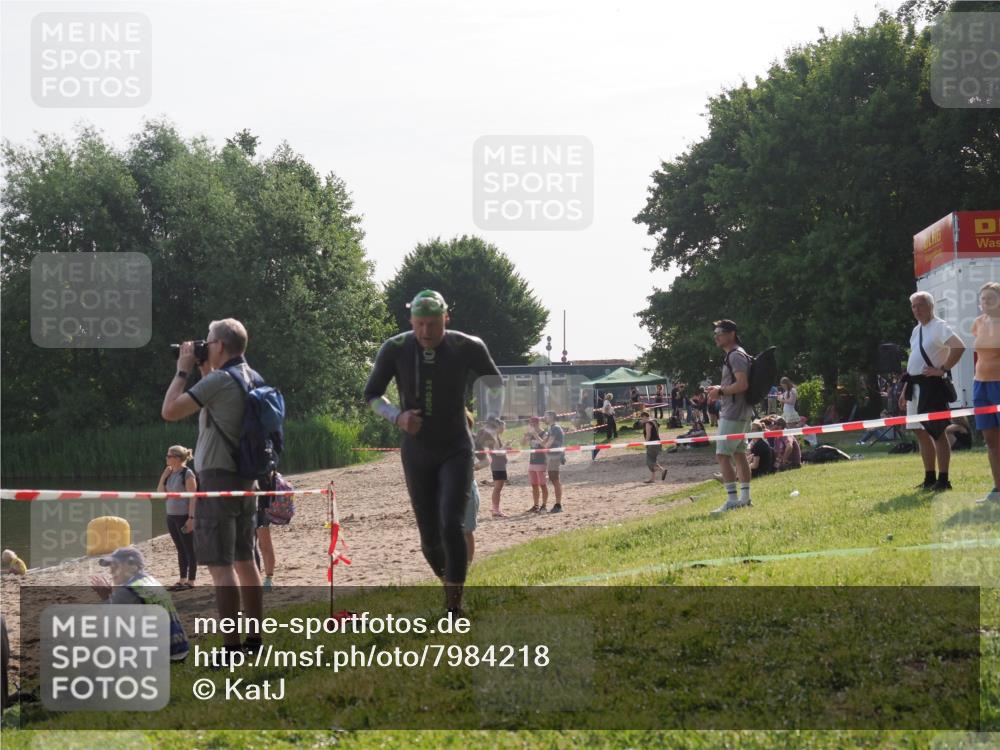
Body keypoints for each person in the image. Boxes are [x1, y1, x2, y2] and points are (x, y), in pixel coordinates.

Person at [363, 290, 503, 616]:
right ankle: (449, 583)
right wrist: (397, 417)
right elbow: (372, 394)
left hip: (456, 445)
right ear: (411, 321)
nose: (426, 333)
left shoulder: (467, 345)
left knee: (451, 524)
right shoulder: (395, 347)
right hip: (417, 450)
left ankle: (455, 606)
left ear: (447, 318)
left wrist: (491, 423)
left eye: (434, 324)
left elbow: (494, 384)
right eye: (420, 325)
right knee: (429, 538)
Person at [161, 318, 264, 655]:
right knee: (246, 562)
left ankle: (232, 647)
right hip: (245, 480)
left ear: (219, 345)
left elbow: (170, 411)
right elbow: (217, 407)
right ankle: (253, 640)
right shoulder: (251, 378)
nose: (204, 346)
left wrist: (182, 369)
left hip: (218, 479)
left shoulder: (220, 380)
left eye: (207, 342)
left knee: (222, 569)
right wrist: (205, 368)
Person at [899, 291, 965, 492]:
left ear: (930, 306)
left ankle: (944, 480)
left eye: (920, 305)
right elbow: (914, 362)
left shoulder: (939, 326)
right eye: (913, 306)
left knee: (937, 432)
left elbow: (959, 347)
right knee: (920, 431)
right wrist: (904, 391)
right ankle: (929, 478)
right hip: (914, 387)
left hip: (931, 388)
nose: (916, 310)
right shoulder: (916, 330)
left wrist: (942, 369)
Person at [89, 546, 189, 661]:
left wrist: (105, 597)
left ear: (133, 567)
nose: (111, 571)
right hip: (179, 649)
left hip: (160, 656)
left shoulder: (127, 590)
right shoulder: (150, 580)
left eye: (116, 566)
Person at [705, 319, 754, 513]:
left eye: (720, 331)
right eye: (715, 332)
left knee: (722, 455)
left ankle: (733, 500)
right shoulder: (737, 355)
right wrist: (719, 389)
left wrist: (721, 392)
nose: (716, 335)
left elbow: (742, 385)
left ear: (731, 334)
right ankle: (745, 498)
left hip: (733, 413)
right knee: (739, 453)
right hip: (741, 412)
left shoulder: (735, 356)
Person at [972, 281, 1000, 503]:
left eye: (990, 298)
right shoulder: (978, 323)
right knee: (990, 440)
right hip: (980, 385)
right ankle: (998, 490)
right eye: (982, 299)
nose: (985, 302)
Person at [158, 445, 198, 591]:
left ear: (177, 458)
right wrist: (163, 476)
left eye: (169, 456)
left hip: (184, 517)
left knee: (189, 549)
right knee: (180, 549)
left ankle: (191, 581)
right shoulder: (169, 473)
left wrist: (191, 518)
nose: (166, 458)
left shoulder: (187, 474)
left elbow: (194, 498)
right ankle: (182, 579)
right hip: (171, 516)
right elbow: (161, 494)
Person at [524, 416, 549, 512]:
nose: (531, 425)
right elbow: (523, 444)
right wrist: (525, 436)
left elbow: (544, 444)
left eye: (532, 424)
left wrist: (535, 434)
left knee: (543, 485)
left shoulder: (544, 433)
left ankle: (544, 505)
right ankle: (536, 505)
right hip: (532, 462)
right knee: (534, 485)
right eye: (530, 424)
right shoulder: (531, 434)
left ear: (537, 423)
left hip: (541, 462)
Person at [543, 410, 565, 513]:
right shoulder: (551, 428)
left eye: (546, 416)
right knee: (553, 479)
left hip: (555, 456)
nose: (544, 418)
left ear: (551, 417)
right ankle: (558, 504)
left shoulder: (555, 428)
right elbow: (545, 444)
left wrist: (543, 442)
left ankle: (558, 505)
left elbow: (547, 445)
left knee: (555, 480)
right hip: (552, 456)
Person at [639, 411, 668, 483]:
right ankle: (653, 478)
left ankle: (662, 470)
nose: (642, 420)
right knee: (653, 460)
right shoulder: (654, 421)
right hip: (657, 443)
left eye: (642, 418)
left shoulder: (648, 423)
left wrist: (646, 443)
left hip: (652, 444)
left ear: (644, 417)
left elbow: (648, 435)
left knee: (649, 462)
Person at [592, 391, 617, 460]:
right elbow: (605, 408)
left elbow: (607, 408)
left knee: (613, 425)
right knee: (610, 426)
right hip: (609, 415)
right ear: (609, 397)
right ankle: (609, 436)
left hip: (610, 414)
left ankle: (614, 435)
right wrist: (608, 413)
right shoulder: (606, 401)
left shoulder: (607, 401)